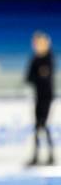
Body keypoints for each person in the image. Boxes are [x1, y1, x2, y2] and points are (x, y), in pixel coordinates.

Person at [25, 31, 55, 166]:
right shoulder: (35, 58)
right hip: (38, 96)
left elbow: (46, 77)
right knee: (38, 126)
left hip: (47, 97)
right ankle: (37, 155)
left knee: (43, 124)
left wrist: (40, 77)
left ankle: (50, 155)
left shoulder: (49, 57)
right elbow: (29, 77)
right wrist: (40, 76)